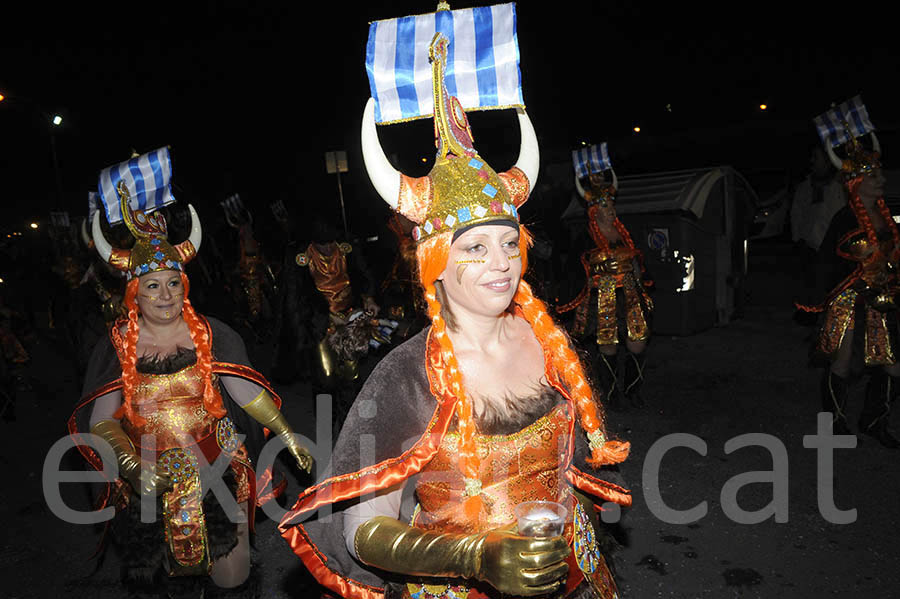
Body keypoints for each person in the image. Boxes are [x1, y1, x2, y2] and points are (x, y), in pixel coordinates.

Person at [279, 32, 631, 599]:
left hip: (575, 577)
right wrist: (477, 556)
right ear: (436, 265)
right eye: (475, 248)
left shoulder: (547, 342)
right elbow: (362, 530)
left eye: (509, 244)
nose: (502, 265)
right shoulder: (406, 376)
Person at [69, 169, 313, 598]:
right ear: (135, 294)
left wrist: (286, 433)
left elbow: (242, 390)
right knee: (164, 581)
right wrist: (131, 466)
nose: (165, 295)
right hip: (147, 475)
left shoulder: (210, 331)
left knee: (232, 576)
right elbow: (101, 418)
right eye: (153, 286)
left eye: (173, 284)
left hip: (216, 465)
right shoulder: (118, 346)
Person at [801, 120, 899, 448]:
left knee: (891, 364)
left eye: (880, 175)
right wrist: (813, 301)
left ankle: (874, 419)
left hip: (880, 301)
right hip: (847, 300)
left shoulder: (885, 217)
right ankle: (835, 424)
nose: (882, 180)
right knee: (841, 362)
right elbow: (826, 261)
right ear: (857, 184)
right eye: (874, 177)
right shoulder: (845, 218)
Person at [557, 168, 653, 410]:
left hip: (630, 293)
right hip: (604, 297)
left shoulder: (624, 233)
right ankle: (611, 396)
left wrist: (643, 291)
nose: (612, 211)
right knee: (608, 345)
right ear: (595, 212)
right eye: (607, 208)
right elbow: (574, 268)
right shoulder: (585, 236)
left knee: (637, 342)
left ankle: (633, 391)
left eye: (612, 207)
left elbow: (636, 261)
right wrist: (595, 268)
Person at [790, 144, 847, 324]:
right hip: (809, 244)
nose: (812, 162)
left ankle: (828, 324)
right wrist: (797, 237)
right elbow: (796, 213)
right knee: (810, 286)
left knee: (829, 287)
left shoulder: (838, 186)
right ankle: (811, 320)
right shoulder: (805, 187)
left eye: (817, 157)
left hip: (831, 245)